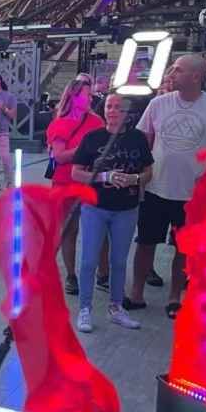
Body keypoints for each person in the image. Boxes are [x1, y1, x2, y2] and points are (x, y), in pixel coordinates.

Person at [125, 55, 206, 318]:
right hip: (156, 188)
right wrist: (141, 177)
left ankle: (174, 297)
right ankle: (135, 294)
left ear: (195, 76)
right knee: (145, 243)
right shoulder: (158, 104)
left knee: (184, 247)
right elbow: (143, 140)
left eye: (178, 70)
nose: (171, 72)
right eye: (171, 68)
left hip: (193, 194)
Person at [71, 92, 152, 333]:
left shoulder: (137, 139)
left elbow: (149, 172)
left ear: (127, 113)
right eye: (109, 106)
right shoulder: (92, 138)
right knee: (88, 261)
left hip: (126, 209)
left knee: (119, 261)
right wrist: (104, 176)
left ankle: (116, 307)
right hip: (95, 207)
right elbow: (76, 173)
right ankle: (84, 309)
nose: (112, 110)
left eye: (118, 107)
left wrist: (134, 179)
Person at [46, 78, 104, 295]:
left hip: (93, 183)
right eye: (87, 94)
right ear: (73, 96)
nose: (91, 98)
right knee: (68, 232)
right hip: (64, 185)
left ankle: (102, 273)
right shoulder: (58, 124)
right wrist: (85, 148)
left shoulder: (97, 121)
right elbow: (60, 157)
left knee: (99, 231)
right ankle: (71, 275)